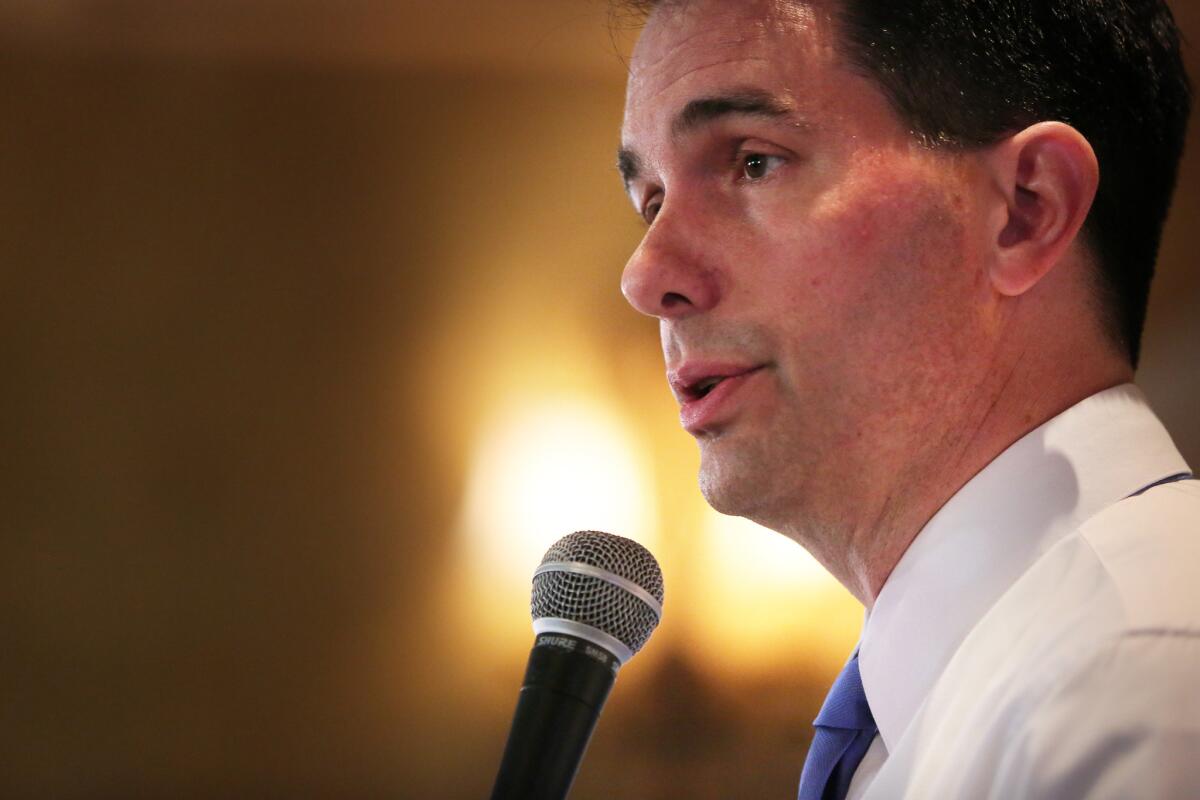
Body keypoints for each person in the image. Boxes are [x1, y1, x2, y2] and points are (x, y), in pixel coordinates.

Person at [614, 0, 1197, 797]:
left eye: (753, 161)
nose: (644, 278)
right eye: (650, 200)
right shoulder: (955, 704)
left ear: (1027, 210)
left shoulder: (1139, 678)